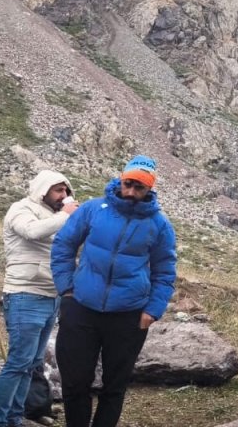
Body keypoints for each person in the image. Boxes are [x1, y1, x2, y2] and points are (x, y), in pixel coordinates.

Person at [51, 155, 177, 427]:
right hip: (81, 307)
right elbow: (63, 245)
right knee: (74, 382)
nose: (131, 192)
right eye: (128, 184)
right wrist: (67, 288)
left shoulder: (160, 225)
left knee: (114, 386)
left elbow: (165, 271)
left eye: (139, 187)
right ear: (121, 179)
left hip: (128, 315)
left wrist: (152, 310)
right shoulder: (94, 209)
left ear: (149, 190)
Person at [0, 170, 78, 427]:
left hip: (51, 295)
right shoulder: (21, 209)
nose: (64, 195)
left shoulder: (58, 216)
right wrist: (66, 215)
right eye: (58, 190)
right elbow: (31, 232)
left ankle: (15, 417)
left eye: (66, 191)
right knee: (18, 364)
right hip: (25, 294)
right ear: (43, 190)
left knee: (31, 365)